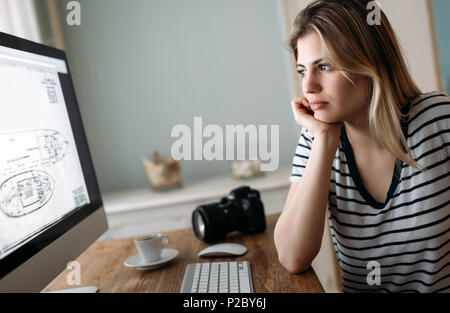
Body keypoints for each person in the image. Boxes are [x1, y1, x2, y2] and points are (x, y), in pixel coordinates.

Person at [274, 0, 449, 293]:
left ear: (369, 63)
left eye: (325, 66)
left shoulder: (438, 120)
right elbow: (293, 257)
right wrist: (325, 142)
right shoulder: (315, 139)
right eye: (303, 70)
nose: (308, 87)